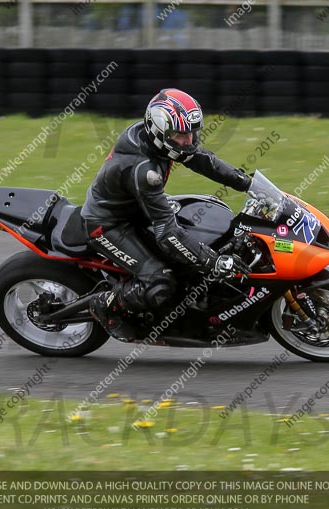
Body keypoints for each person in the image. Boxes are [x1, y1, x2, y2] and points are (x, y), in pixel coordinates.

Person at [80, 88, 253, 342]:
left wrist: (248, 184)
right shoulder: (144, 171)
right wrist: (213, 262)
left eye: (191, 133)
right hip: (107, 224)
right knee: (161, 281)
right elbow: (167, 233)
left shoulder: (154, 138)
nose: (188, 140)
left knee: (207, 223)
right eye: (180, 135)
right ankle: (104, 304)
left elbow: (202, 159)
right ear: (160, 131)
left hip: (136, 208)